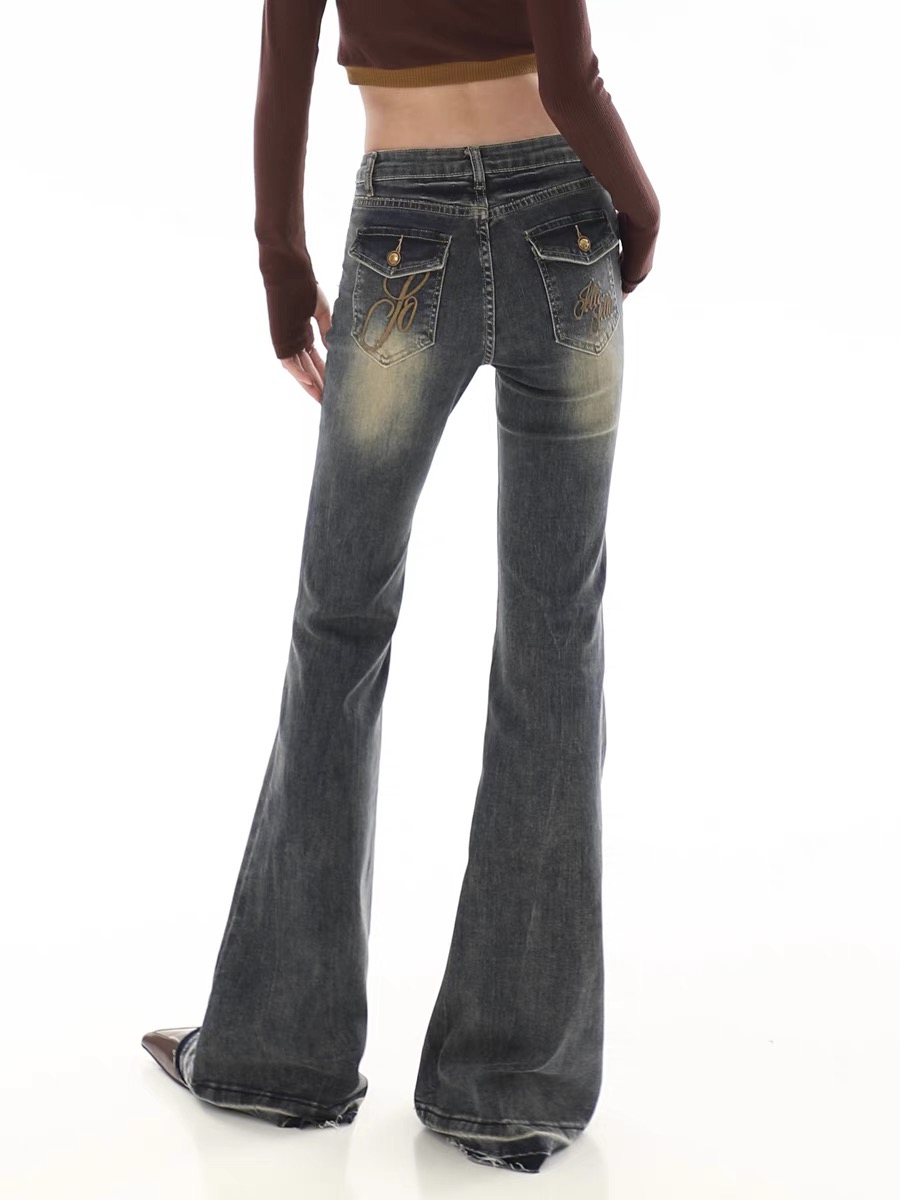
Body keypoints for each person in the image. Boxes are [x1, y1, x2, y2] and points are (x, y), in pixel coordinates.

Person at [141, 0, 660, 1175]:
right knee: (556, 629)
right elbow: (567, 75)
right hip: (562, 223)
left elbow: (284, 54)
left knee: (341, 621)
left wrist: (282, 263)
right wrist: (642, 204)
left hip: (403, 235)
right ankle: (509, 1084)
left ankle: (279, 1056)